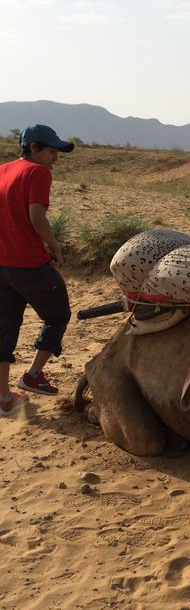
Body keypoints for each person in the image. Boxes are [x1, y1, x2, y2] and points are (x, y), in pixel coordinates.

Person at [0, 125, 74, 416]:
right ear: (33, 147)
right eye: (52, 151)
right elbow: (36, 216)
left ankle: (4, 397)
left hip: (2, 265)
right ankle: (32, 375)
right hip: (28, 263)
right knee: (58, 315)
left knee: (5, 327)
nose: (55, 158)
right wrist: (55, 247)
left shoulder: (3, 169)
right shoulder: (38, 173)